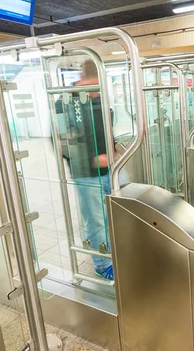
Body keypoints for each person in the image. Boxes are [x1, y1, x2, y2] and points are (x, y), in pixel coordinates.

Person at [57, 60, 116, 280]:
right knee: (96, 220)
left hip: (111, 170)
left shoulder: (100, 101)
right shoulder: (65, 102)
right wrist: (90, 159)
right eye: (96, 82)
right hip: (87, 173)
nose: (99, 88)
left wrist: (115, 151)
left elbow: (107, 133)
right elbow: (62, 140)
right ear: (85, 78)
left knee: (113, 216)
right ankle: (102, 265)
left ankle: (113, 252)